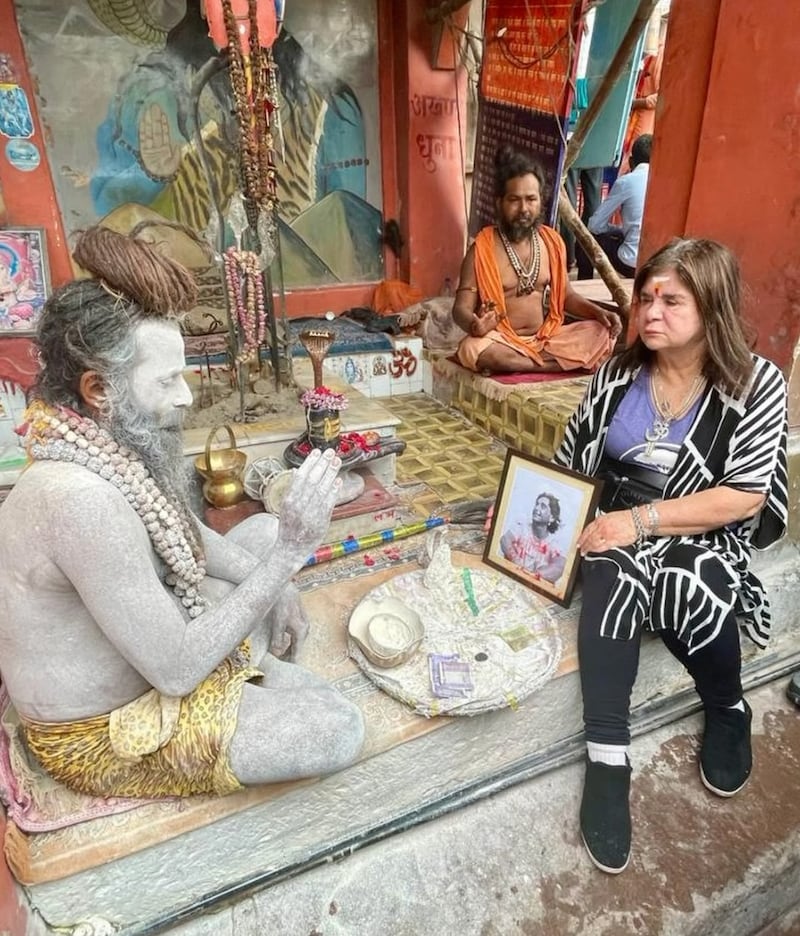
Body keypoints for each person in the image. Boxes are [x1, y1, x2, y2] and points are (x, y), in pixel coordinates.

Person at [0, 226, 364, 800]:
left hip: (150, 649)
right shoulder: (78, 500)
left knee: (262, 531)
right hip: (108, 726)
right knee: (337, 725)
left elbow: (176, 526)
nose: (186, 396)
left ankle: (252, 674)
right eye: (167, 380)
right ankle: (250, 681)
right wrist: (289, 558)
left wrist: (274, 576)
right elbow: (173, 670)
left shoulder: (98, 439)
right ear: (100, 389)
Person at [553, 238, 788, 874]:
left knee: (688, 578)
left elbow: (742, 497)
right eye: (646, 297)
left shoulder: (755, 383)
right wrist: (533, 507)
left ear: (711, 306)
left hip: (701, 525)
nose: (651, 311)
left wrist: (640, 522)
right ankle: (608, 757)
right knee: (608, 570)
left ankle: (727, 706)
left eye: (671, 299)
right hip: (618, 517)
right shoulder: (619, 374)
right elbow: (571, 460)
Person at [452, 145, 623, 375]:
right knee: (472, 348)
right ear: (499, 202)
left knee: (600, 333)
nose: (523, 208)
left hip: (546, 339)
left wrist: (597, 313)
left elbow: (567, 297)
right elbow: (460, 309)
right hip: (501, 341)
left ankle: (527, 364)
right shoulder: (481, 249)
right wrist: (474, 324)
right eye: (514, 200)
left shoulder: (551, 242)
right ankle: (555, 365)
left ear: (540, 201)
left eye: (531, 199)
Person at [580, 134, 652, 281]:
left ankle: (585, 281)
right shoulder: (669, 182)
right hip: (658, 264)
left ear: (631, 162)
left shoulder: (626, 182)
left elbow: (594, 225)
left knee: (586, 237)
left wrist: (616, 230)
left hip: (632, 263)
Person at [500, 492, 567, 584]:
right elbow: (505, 539)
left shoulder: (554, 543)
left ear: (551, 518)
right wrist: (516, 561)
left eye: (543, 506)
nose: (537, 508)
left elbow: (559, 567)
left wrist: (532, 575)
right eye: (537, 504)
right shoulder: (522, 527)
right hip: (507, 578)